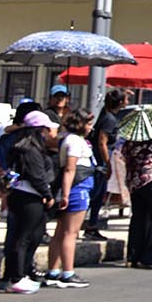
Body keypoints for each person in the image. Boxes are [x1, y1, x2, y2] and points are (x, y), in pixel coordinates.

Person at [4, 111, 58, 293]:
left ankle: (23, 273)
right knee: (24, 237)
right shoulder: (29, 150)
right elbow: (37, 176)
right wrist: (48, 194)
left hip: (23, 195)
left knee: (33, 236)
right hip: (28, 196)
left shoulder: (22, 147)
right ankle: (17, 277)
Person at [44, 109, 96, 288]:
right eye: (88, 123)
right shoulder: (73, 141)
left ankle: (53, 271)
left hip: (75, 187)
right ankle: (68, 272)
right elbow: (69, 169)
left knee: (61, 231)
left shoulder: (67, 138)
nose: (90, 127)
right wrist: (65, 194)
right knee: (70, 233)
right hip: (77, 188)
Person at [122, 118, 152, 270]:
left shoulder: (130, 140)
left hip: (135, 179)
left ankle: (133, 256)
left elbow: (124, 154)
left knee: (139, 217)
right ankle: (150, 257)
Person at [83, 89, 126, 240]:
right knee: (95, 194)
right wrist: (107, 163)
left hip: (101, 159)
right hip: (100, 161)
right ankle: (86, 225)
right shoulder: (109, 119)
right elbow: (102, 142)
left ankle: (91, 225)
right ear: (120, 103)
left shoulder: (106, 113)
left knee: (98, 195)